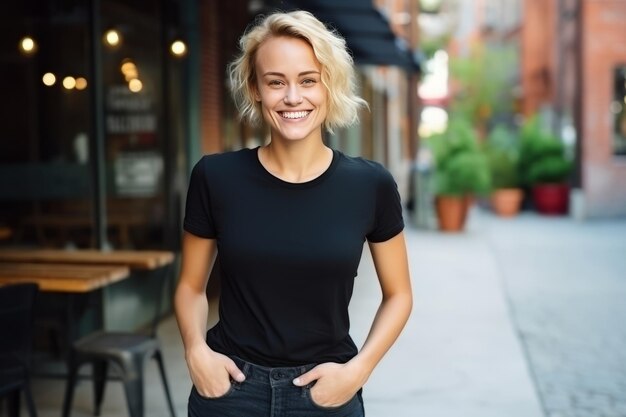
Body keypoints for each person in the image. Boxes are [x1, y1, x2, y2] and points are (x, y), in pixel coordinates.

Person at [175, 10, 412, 417]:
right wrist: (196, 352)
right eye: (275, 82)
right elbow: (191, 288)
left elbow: (399, 295)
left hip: (326, 394)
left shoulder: (370, 184)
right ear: (255, 90)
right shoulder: (216, 177)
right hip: (231, 393)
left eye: (308, 80)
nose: (292, 98)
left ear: (329, 86)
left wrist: (359, 370)